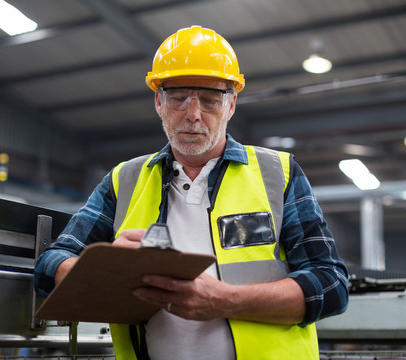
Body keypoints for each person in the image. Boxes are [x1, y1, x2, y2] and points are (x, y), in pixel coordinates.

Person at [34, 25, 349, 360]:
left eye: (210, 100)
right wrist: (109, 268)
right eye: (178, 98)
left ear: (231, 105)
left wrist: (224, 301)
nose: (193, 114)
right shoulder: (123, 181)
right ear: (158, 100)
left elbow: (331, 285)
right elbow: (50, 264)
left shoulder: (277, 174)